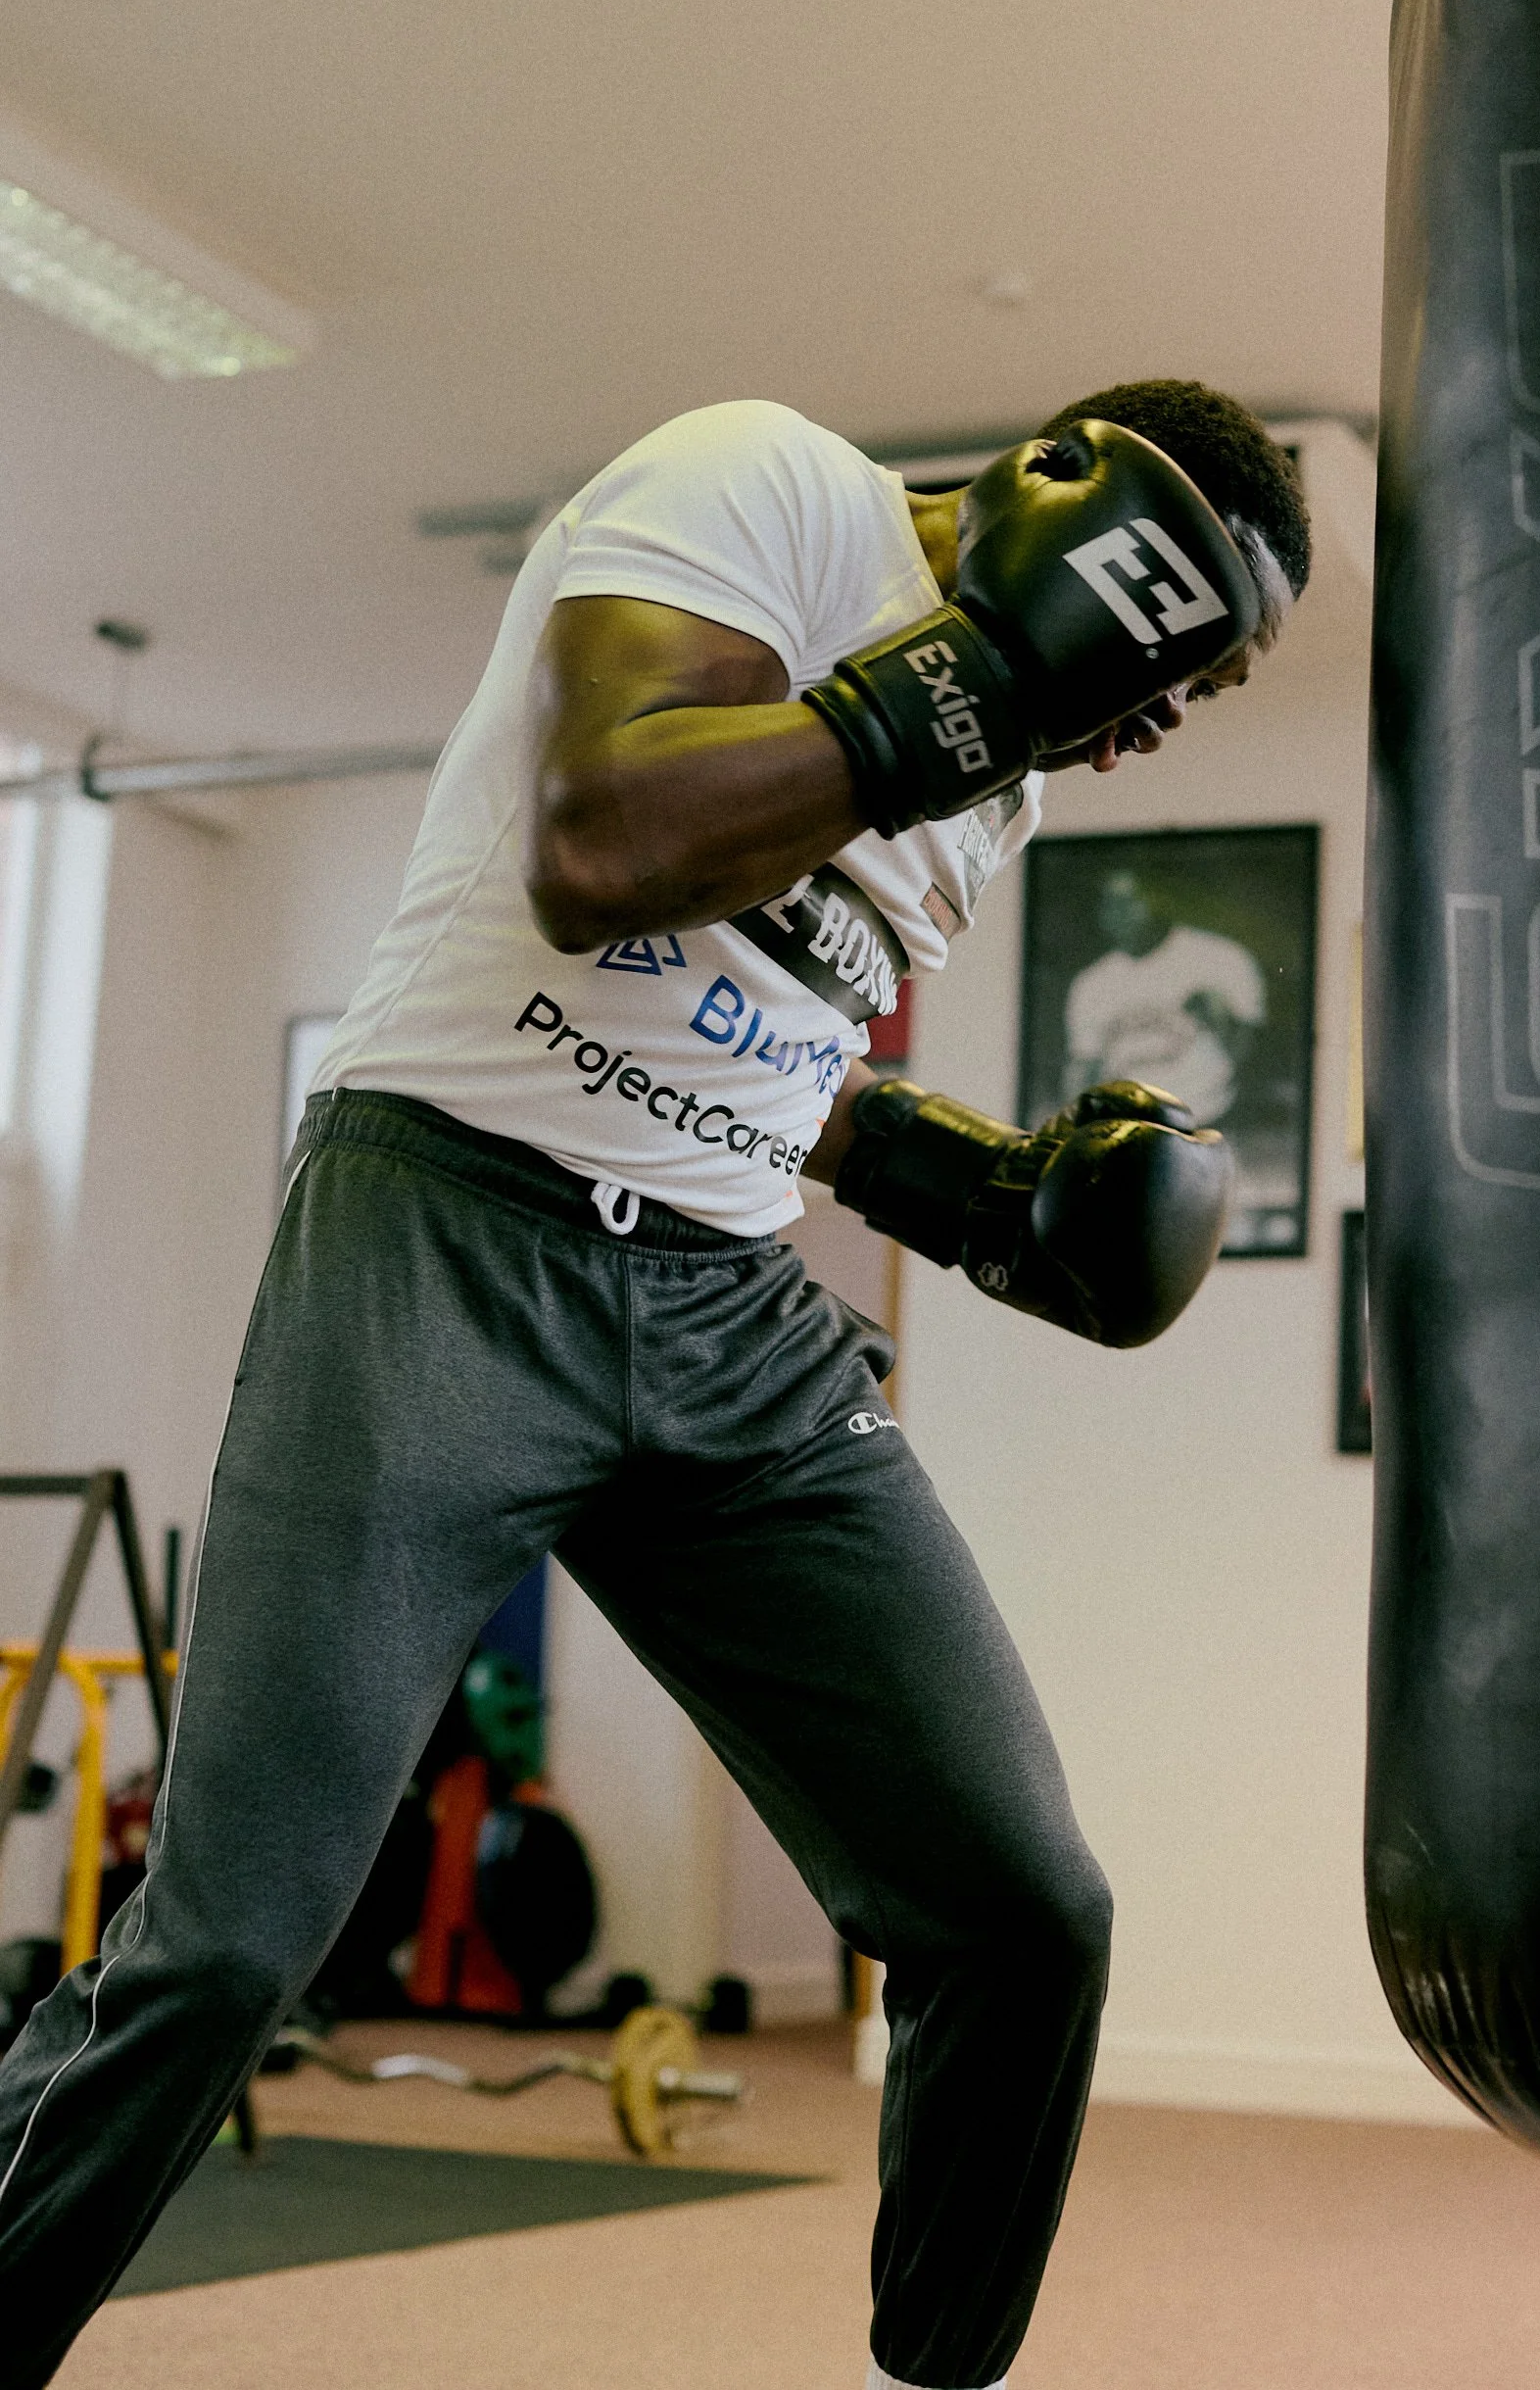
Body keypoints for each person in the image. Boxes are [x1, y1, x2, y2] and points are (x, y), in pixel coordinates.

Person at [0, 377, 1309, 2390]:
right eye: (1180, 643)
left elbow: (753, 1014)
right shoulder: (763, 488)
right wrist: (967, 675)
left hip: (721, 1310)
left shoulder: (1004, 764)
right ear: (1086, 517)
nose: (1157, 710)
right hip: (444, 1236)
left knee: (1019, 1908)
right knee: (226, 1951)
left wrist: (953, 1181)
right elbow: (605, 841)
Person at [1062, 870, 1268, 1123]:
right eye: (1111, 905)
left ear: (1161, 900)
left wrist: (1222, 1019)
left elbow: (1256, 1053)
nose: (1120, 915)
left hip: (1211, 1119)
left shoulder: (1220, 957)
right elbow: (1084, 1068)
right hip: (1131, 1127)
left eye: (1131, 901)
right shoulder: (1091, 984)